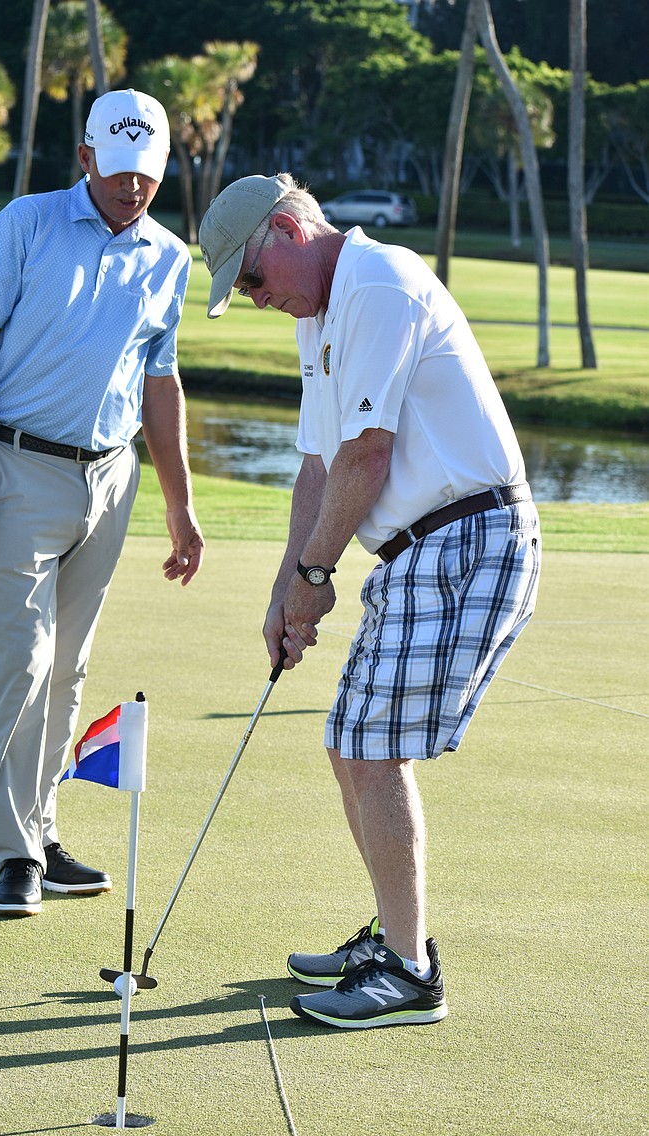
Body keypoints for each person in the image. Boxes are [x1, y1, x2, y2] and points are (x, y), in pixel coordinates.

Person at [198, 173, 540, 1029]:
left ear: (286, 229)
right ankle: (396, 937)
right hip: (419, 548)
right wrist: (285, 585)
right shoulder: (318, 316)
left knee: (375, 746)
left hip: (468, 536)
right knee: (348, 741)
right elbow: (316, 465)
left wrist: (314, 581)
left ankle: (410, 972)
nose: (253, 297)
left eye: (249, 277)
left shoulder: (379, 282)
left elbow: (367, 456)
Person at [0, 88, 204, 918]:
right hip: (15, 468)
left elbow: (158, 379)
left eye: (150, 176)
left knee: (67, 670)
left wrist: (179, 503)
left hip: (110, 479)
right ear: (87, 158)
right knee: (20, 663)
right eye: (121, 170)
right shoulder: (27, 223)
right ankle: (14, 853)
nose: (134, 189)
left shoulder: (168, 255)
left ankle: (41, 828)